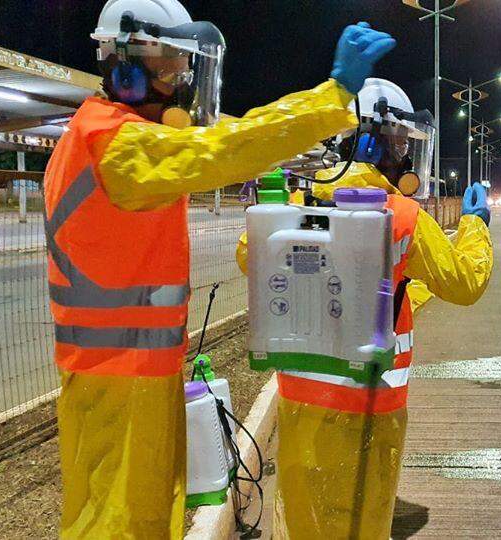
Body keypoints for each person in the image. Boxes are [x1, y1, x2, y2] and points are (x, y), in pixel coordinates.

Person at [43, 0, 395, 537]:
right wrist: (333, 97)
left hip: (127, 375)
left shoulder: (117, 136)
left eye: (187, 70)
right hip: (117, 378)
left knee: (140, 517)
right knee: (115, 525)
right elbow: (226, 147)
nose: (182, 84)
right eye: (172, 69)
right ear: (126, 66)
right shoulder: (116, 142)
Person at [237, 78, 493, 538]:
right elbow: (466, 281)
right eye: (400, 143)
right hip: (371, 408)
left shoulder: (299, 207)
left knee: (303, 520)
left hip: (300, 404)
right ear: (378, 142)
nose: (405, 157)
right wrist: (475, 224)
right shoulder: (403, 216)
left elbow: (248, 253)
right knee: (360, 524)